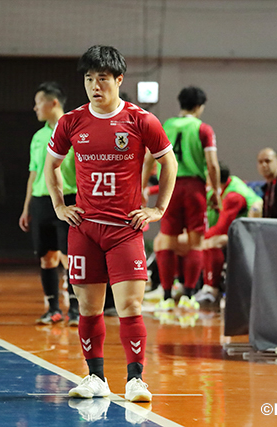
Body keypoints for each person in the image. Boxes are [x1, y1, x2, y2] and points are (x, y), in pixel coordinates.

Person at [44, 45, 177, 402]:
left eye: (102, 78)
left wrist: (158, 209)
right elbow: (50, 165)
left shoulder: (141, 120)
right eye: (89, 79)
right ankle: (95, 378)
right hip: (85, 229)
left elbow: (170, 163)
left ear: (119, 79)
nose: (94, 85)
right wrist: (59, 205)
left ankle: (136, 380)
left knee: (130, 307)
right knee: (88, 309)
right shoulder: (71, 121)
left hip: (125, 231)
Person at [145, 86, 221, 312]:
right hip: (194, 187)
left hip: (169, 185)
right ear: (199, 106)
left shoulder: (165, 125)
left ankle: (167, 295)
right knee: (196, 242)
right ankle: (188, 294)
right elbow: (212, 164)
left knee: (167, 240)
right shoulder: (203, 128)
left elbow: (149, 158)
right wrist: (216, 192)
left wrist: (141, 185)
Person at [19, 82, 80, 326]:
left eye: (38, 102)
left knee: (70, 258)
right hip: (42, 201)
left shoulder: (75, 131)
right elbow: (33, 173)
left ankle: (75, 309)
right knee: (46, 258)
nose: (35, 108)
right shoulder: (38, 137)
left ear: (53, 102)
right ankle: (53, 309)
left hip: (69, 200)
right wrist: (27, 207)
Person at [194, 164, 263, 305]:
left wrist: (201, 239)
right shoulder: (222, 188)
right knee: (202, 241)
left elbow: (222, 227)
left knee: (212, 243)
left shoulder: (233, 196)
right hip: (237, 230)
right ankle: (204, 286)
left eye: (207, 176)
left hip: (250, 234)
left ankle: (212, 289)